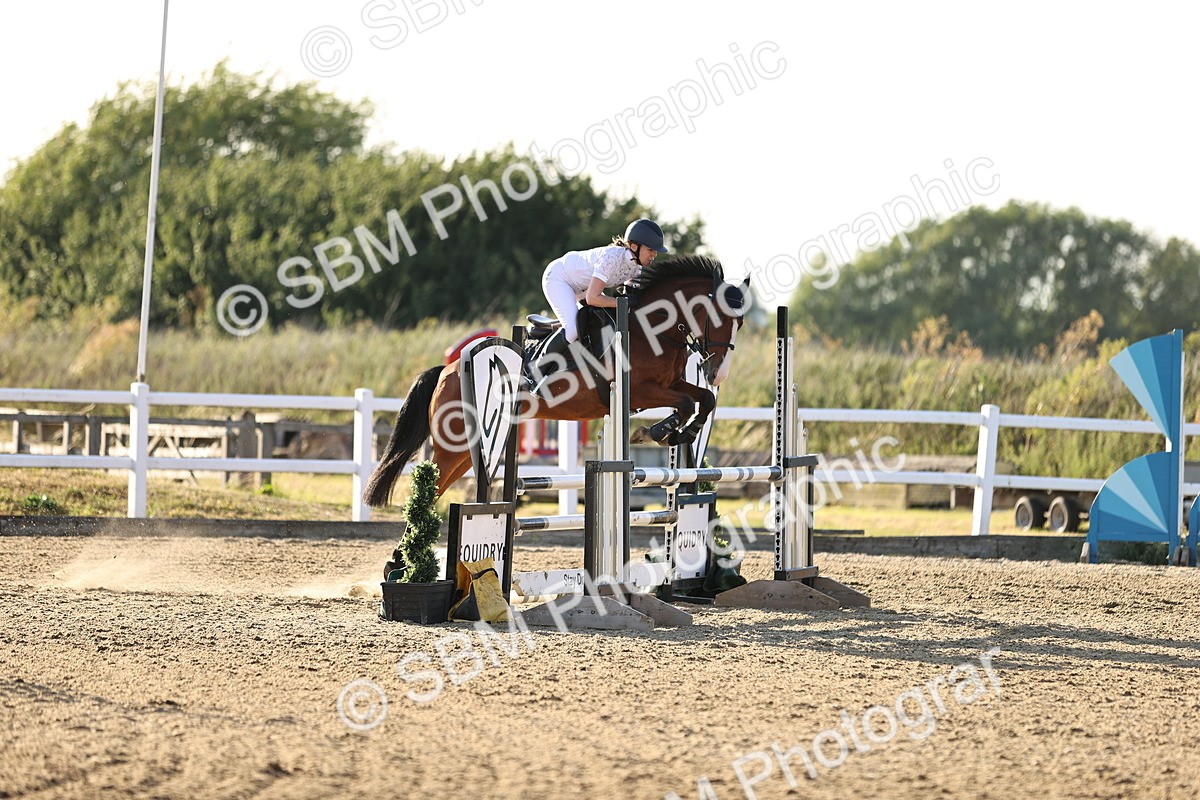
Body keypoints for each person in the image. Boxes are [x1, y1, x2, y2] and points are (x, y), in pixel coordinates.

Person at [540, 218, 668, 347]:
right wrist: (625, 302)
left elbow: (630, 299)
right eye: (651, 250)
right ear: (634, 247)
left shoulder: (636, 267)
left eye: (655, 251)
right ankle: (539, 364)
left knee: (593, 325)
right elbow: (593, 298)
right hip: (559, 278)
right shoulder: (611, 258)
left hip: (583, 288)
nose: (654, 255)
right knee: (573, 330)